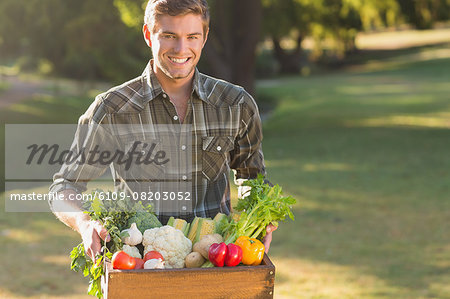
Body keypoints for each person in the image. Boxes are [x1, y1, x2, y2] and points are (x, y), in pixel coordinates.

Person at [49, 0, 276, 261]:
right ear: (148, 34)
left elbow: (252, 178)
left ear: (205, 37)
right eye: (169, 36)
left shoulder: (236, 104)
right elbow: (64, 186)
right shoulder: (112, 109)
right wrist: (84, 222)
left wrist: (261, 214)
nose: (181, 48)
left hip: (216, 263)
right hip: (139, 265)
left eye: (192, 36)